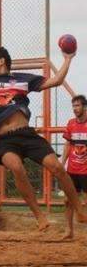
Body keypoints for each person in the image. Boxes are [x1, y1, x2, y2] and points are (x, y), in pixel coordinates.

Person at [0, 46, 87, 231]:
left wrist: (68, 59)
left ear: (1, 61)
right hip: (4, 139)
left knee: (57, 167)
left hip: (26, 134)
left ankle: (80, 210)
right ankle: (40, 217)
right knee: (16, 167)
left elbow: (57, 80)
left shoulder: (21, 79)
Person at [61, 94, 87, 239]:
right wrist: (62, 162)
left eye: (77, 105)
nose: (75, 109)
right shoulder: (71, 123)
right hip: (72, 169)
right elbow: (67, 144)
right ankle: (69, 231)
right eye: (73, 106)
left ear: (84, 107)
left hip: (86, 170)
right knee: (67, 200)